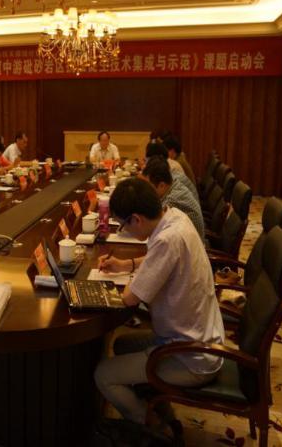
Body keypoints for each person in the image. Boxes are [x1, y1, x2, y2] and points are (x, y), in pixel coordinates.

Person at [94, 178, 224, 430]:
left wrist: (130, 279)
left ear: (136, 219)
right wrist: (126, 265)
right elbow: (157, 258)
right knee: (122, 345)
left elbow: (130, 298)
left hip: (191, 357)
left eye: (123, 225)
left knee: (103, 375)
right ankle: (160, 407)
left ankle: (153, 426)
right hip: (198, 337)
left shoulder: (167, 240)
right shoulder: (175, 218)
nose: (124, 231)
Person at [141, 156, 205, 243]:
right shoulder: (173, 184)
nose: (147, 191)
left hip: (189, 247)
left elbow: (151, 227)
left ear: (161, 185)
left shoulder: (173, 201)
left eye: (149, 187)